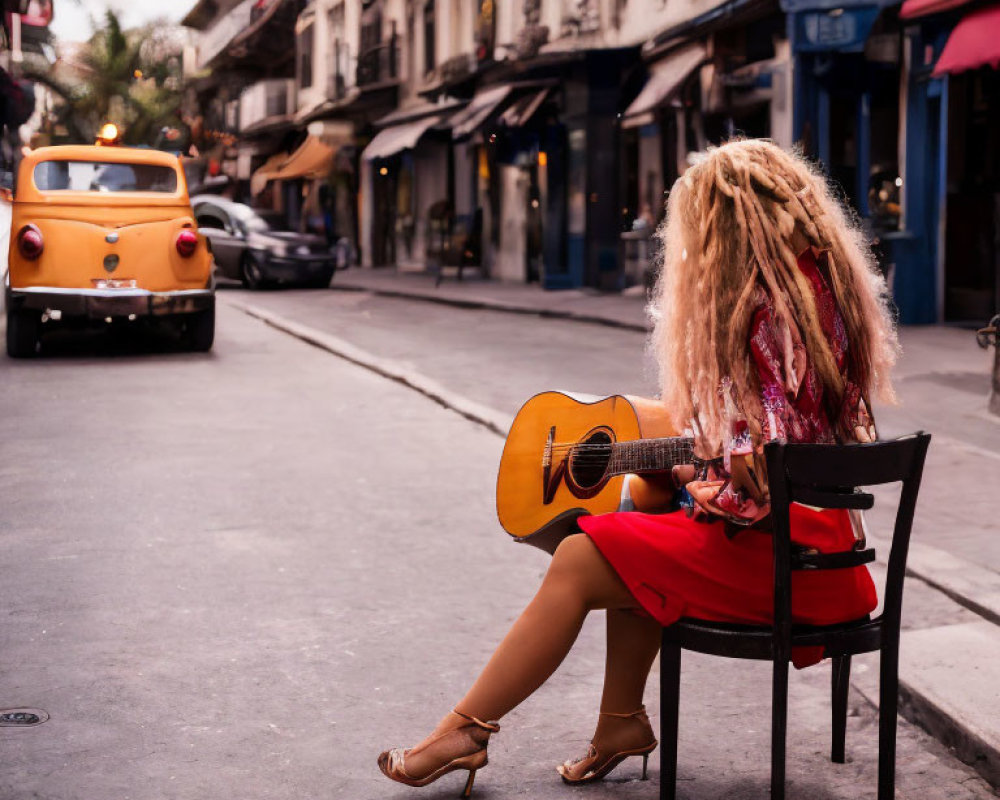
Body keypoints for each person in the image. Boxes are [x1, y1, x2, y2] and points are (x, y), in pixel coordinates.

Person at [377, 139, 899, 797]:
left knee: (583, 554)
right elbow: (781, 448)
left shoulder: (768, 313)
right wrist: (684, 472)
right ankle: (618, 721)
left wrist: (686, 478)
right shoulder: (825, 281)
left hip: (791, 571)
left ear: (729, 230)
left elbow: (752, 481)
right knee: (636, 528)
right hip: (832, 558)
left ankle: (466, 730)